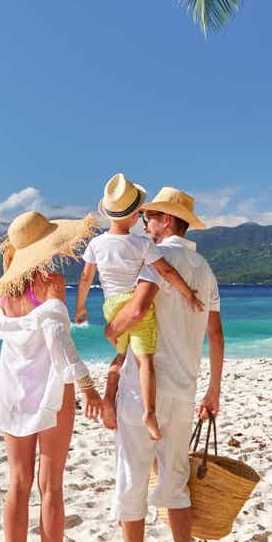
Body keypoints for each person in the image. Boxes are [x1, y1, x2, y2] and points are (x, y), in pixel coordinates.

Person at [0, 210, 111, 542]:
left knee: (17, 484)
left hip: (13, 391)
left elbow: (0, 327)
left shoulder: (3, 293)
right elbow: (58, 340)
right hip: (53, 395)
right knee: (51, 485)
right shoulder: (52, 282)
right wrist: (88, 388)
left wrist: (11, 266)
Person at [105, 186, 223, 542]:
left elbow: (136, 311)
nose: (144, 223)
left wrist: (111, 330)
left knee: (132, 479)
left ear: (167, 221)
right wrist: (214, 389)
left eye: (150, 217)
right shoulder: (204, 268)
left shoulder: (156, 259)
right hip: (184, 391)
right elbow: (215, 333)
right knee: (176, 482)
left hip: (144, 394)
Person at [76, 173, 204, 441]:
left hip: (110, 306)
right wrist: (188, 294)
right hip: (133, 304)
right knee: (145, 361)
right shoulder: (141, 243)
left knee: (120, 356)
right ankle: (149, 412)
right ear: (134, 216)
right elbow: (166, 271)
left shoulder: (96, 244)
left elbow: (86, 278)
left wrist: (80, 308)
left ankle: (109, 397)